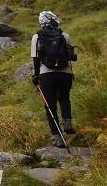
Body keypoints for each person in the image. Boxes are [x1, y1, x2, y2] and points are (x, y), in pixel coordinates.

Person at [31, 11, 77, 147]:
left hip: (47, 75)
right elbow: (73, 57)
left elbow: (36, 59)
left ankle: (58, 138)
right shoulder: (65, 35)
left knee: (50, 106)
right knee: (64, 99)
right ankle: (67, 124)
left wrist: (36, 76)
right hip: (65, 74)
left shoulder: (37, 37)